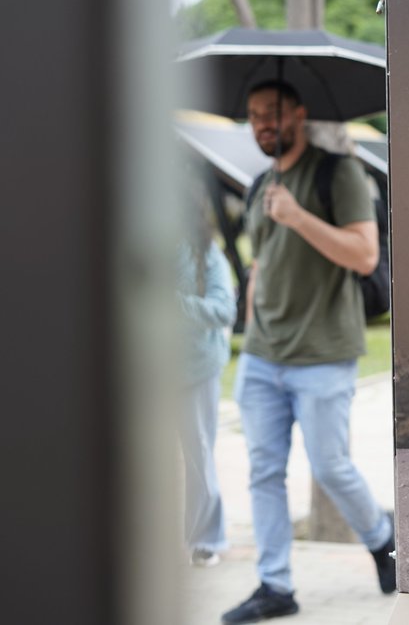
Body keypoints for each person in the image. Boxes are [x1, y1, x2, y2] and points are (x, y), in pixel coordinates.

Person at [222, 80, 395, 625]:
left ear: (298, 114)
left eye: (272, 113)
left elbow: (366, 255)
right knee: (263, 473)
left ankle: (382, 537)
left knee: (330, 466)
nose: (262, 124)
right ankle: (276, 585)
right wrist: (252, 322)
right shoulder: (257, 185)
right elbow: (263, 263)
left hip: (322, 354)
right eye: (253, 116)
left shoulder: (336, 172)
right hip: (261, 357)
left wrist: (298, 216)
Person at [176, 186, 236, 568]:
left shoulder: (206, 254)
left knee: (197, 453)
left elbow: (223, 310)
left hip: (195, 369)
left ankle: (207, 539)